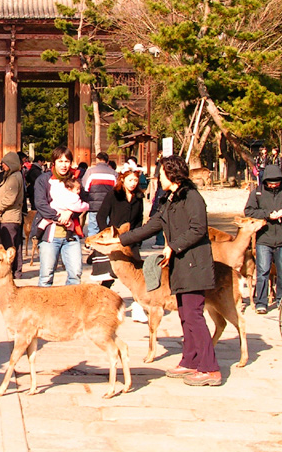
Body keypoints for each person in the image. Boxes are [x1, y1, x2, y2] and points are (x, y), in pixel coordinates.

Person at [117, 155, 221, 387]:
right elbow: (152, 226)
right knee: (185, 315)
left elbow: (198, 229)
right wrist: (119, 240)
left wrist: (173, 246)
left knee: (194, 315)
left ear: (172, 174)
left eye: (160, 173)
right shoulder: (169, 200)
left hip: (195, 264)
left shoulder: (192, 197)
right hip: (179, 266)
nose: (157, 177)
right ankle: (190, 360)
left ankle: (210, 368)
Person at [244, 164, 282, 314]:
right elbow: (248, 211)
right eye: (270, 182)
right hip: (264, 238)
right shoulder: (257, 193)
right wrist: (267, 214)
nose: (273, 185)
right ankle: (261, 302)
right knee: (263, 271)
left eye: (276, 182)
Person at [34, 146, 85, 287]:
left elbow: (85, 200)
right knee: (46, 275)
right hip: (50, 235)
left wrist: (70, 213)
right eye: (60, 161)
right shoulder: (43, 180)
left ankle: (70, 307)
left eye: (67, 161)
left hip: (71, 234)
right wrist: (58, 217)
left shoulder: (75, 179)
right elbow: (40, 204)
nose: (64, 165)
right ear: (54, 162)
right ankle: (43, 307)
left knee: (76, 273)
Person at [92, 164, 145, 299]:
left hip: (131, 239)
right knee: (110, 274)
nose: (133, 183)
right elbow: (101, 216)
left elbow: (139, 218)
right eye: (130, 180)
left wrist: (138, 238)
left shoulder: (138, 197)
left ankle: (139, 302)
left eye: (135, 180)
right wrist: (107, 235)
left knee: (138, 272)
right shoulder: (113, 195)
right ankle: (100, 298)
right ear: (123, 179)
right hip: (114, 240)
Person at [0, 152, 25, 279]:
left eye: (5, 163)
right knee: (14, 244)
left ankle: (11, 271)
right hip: (9, 216)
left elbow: (10, 197)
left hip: (9, 216)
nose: (2, 165)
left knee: (8, 245)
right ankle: (16, 271)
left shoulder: (14, 177)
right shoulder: (12, 176)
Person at [81, 152, 117, 238]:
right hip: (108, 206)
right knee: (105, 228)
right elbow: (117, 190)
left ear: (97, 160)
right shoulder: (113, 173)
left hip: (94, 204)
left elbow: (85, 188)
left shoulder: (90, 172)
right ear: (107, 162)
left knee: (93, 228)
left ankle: (92, 248)